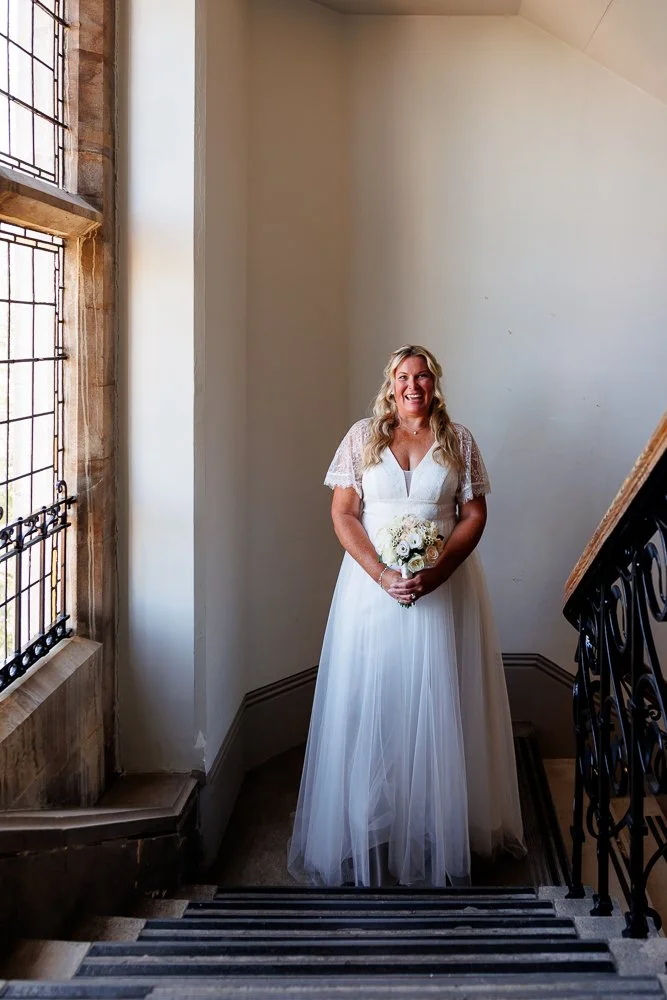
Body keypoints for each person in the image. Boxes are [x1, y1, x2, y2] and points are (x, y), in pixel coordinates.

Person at [288, 345, 524, 887]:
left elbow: (474, 514)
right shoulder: (361, 437)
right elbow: (343, 513)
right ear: (390, 384)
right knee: (374, 697)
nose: (412, 385)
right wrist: (379, 572)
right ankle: (372, 819)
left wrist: (437, 570)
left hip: (444, 585)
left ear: (434, 383)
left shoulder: (458, 439)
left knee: (440, 699)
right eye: (402, 377)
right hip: (371, 591)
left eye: (421, 376)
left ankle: (440, 822)